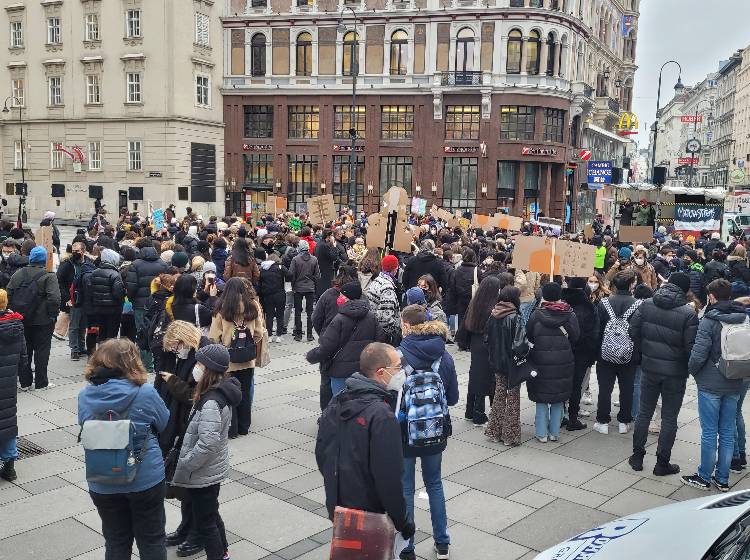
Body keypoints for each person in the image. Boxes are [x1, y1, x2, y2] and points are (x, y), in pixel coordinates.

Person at [78, 338, 170, 560]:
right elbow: (164, 422)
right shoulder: (145, 393)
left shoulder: (85, 396)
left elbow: (85, 424)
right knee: (152, 539)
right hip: (144, 477)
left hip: (103, 478)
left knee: (116, 540)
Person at [315, 342, 414, 546]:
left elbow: (322, 452)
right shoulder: (381, 416)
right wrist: (402, 521)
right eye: (397, 367)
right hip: (369, 511)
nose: (402, 371)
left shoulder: (337, 401)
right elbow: (389, 477)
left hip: (339, 504)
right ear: (381, 372)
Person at [397, 305, 458, 560]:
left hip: (404, 432)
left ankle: (407, 547)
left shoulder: (397, 356)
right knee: (434, 483)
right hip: (436, 430)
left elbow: (391, 400)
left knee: (406, 488)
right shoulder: (444, 356)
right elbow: (452, 398)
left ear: (408, 326)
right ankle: (442, 543)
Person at [171, 344, 240, 560]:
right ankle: (224, 553)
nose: (196, 367)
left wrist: (187, 463)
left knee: (206, 523)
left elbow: (208, 442)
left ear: (209, 369)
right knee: (211, 514)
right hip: (209, 471)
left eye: (199, 364)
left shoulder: (211, 401)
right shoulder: (214, 393)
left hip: (203, 472)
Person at [628, 272, 699, 476]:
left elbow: (633, 331)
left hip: (649, 368)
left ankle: (637, 456)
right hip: (675, 373)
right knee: (669, 418)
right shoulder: (688, 313)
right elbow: (690, 347)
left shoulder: (647, 304)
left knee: (644, 413)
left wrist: (645, 352)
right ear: (685, 290)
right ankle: (662, 462)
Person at [681, 279, 746, 492]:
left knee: (709, 431)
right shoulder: (742, 317)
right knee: (727, 430)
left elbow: (699, 354)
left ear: (711, 296)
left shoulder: (710, 320)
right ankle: (723, 478)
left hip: (711, 381)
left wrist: (692, 370)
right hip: (736, 379)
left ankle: (703, 476)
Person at [306, 281, 385, 398]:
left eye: (342, 295)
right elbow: (380, 341)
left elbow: (328, 345)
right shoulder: (371, 316)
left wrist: (311, 356)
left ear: (348, 298)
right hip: (364, 370)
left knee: (341, 404)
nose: (339, 297)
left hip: (340, 371)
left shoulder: (339, 319)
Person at [209, 278, 265, 437]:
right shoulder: (252, 305)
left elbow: (214, 336)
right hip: (247, 359)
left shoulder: (221, 308)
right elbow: (259, 333)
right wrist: (247, 343)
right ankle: (244, 427)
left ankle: (232, 429)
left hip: (228, 359)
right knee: (245, 393)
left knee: (229, 393)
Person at [526, 281, 580, 443]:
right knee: (558, 398)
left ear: (544, 296)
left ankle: (541, 433)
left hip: (540, 361)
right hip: (563, 361)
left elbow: (529, 336)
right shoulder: (570, 314)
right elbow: (576, 336)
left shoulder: (536, 315)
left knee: (541, 399)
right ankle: (554, 433)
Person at [8, 245, 61, 390]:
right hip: (43, 321)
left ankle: (25, 383)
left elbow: (9, 293)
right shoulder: (49, 276)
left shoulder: (18, 273)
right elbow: (54, 299)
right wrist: (52, 315)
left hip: (21, 319)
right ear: (44, 260)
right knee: (42, 351)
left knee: (25, 351)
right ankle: (41, 382)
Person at [593, 270, 640, 435]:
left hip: (605, 353)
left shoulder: (603, 303)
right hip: (629, 354)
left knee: (605, 388)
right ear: (631, 284)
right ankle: (624, 421)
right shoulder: (639, 304)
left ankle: (602, 421)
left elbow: (597, 330)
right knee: (627, 388)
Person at [457, 276, 502, 425]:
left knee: (475, 375)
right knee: (486, 378)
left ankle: (470, 410)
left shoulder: (475, 303)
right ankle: (478, 413)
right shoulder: (492, 309)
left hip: (476, 343)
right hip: (487, 344)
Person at [484, 285, 523, 446]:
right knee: (513, 398)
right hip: (513, 364)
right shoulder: (515, 317)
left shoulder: (493, 315)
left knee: (499, 396)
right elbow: (520, 345)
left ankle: (494, 431)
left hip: (497, 363)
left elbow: (486, 339)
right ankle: (510, 435)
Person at [561, 277, 599, 431]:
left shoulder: (561, 304)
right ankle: (573, 418)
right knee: (576, 386)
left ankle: (558, 415)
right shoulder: (589, 306)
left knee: (561, 382)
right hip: (582, 353)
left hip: (562, 350)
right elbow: (594, 333)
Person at [127, 238, 168, 371]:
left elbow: (131, 286)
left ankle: (145, 363)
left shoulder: (135, 264)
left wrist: (132, 299)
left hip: (140, 304)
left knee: (142, 331)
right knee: (156, 330)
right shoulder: (162, 264)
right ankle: (155, 361)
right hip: (158, 303)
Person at [0, 289, 25, 481]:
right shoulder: (15, 324)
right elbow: (24, 358)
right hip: (8, 384)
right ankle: (9, 467)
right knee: (7, 421)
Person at [58, 241, 94, 360]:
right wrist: (66, 298)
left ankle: (81, 346)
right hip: (74, 299)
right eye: (73, 251)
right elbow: (59, 282)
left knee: (83, 325)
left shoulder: (89, 263)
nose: (75, 253)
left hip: (86, 298)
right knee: (74, 325)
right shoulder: (67, 264)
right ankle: (74, 349)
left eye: (77, 251)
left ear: (83, 251)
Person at [86, 248, 126, 344]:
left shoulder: (94, 273)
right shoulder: (115, 274)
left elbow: (90, 291)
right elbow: (118, 294)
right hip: (113, 310)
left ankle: (101, 355)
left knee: (102, 334)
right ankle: (109, 356)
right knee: (111, 335)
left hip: (98, 308)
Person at [365, 255, 402, 345]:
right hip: (384, 335)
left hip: (374, 327)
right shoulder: (387, 287)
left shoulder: (377, 280)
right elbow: (385, 317)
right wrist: (395, 333)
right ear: (394, 269)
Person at [288, 239, 320, 342]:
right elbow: (318, 275)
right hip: (310, 288)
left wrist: (293, 285)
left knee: (297, 311)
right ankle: (310, 335)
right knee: (310, 312)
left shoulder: (295, 259)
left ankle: (298, 334)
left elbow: (291, 275)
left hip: (298, 288)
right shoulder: (314, 259)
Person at [257, 247, 288, 343]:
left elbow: (259, 282)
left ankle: (269, 335)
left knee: (269, 315)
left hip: (268, 295)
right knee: (280, 314)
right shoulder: (280, 267)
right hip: (280, 294)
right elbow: (290, 275)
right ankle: (278, 335)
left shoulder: (263, 268)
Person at [449, 247, 478, 331]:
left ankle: (461, 337)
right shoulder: (477, 271)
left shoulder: (457, 270)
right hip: (473, 299)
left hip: (460, 299)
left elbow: (452, 286)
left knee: (461, 318)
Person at [314, 229, 342, 300]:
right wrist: (334, 246)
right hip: (325, 271)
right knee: (325, 290)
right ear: (328, 236)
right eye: (332, 235)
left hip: (321, 270)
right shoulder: (324, 246)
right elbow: (333, 257)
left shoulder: (319, 244)